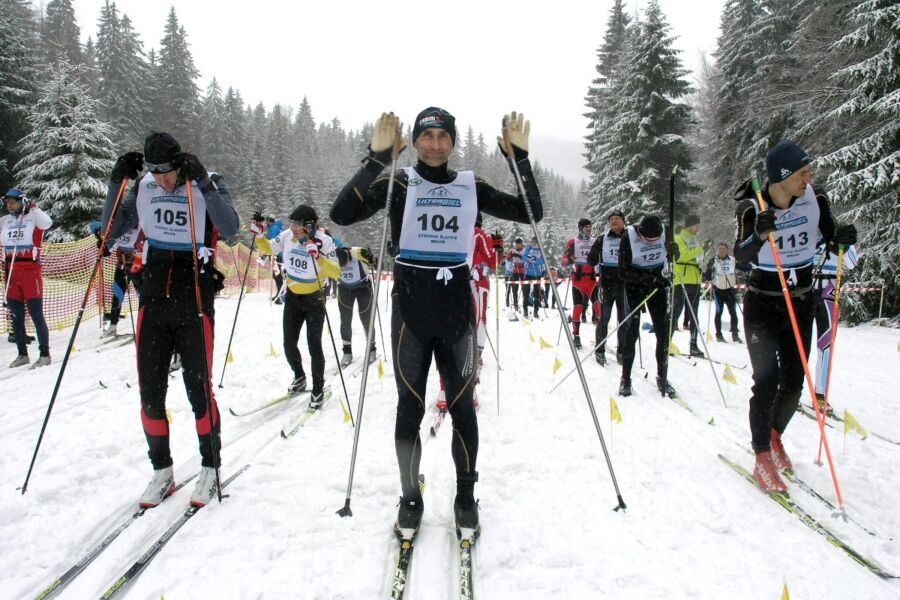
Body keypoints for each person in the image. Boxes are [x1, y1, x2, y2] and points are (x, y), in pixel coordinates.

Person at [330, 107, 542, 538]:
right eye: (426, 136)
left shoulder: (470, 185)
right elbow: (341, 215)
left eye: (443, 136)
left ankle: (466, 497)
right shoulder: (400, 182)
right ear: (415, 140)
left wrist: (518, 159)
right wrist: (377, 159)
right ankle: (410, 497)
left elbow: (530, 212)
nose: (434, 144)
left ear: (452, 142)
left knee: (462, 407)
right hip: (411, 311)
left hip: (455, 312)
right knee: (409, 407)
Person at [102, 132, 239, 508]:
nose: (163, 180)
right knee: (150, 393)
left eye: (170, 172)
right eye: (156, 173)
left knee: (199, 391)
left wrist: (205, 183)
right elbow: (109, 233)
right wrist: (117, 182)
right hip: (153, 295)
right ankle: (162, 471)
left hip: (193, 293)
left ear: (182, 162)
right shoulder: (144, 186)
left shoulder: (206, 179)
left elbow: (230, 229)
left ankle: (211, 468)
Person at [733, 140, 856, 492]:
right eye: (803, 173)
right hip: (763, 305)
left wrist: (843, 238)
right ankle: (760, 457)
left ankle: (774, 437)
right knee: (765, 381)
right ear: (783, 176)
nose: (809, 178)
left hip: (800, 300)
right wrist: (758, 235)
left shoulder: (815, 198)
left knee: (794, 381)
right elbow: (741, 256)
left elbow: (831, 238)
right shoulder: (752, 207)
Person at [257, 206, 339, 397]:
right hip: (293, 296)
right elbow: (268, 248)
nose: (293, 227)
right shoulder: (287, 236)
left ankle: (318, 388)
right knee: (289, 343)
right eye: (292, 223)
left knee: (314, 345)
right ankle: (299, 376)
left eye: (297, 224)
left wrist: (318, 257)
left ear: (309, 226)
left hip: (314, 298)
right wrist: (260, 237)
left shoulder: (324, 241)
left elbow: (336, 272)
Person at [618, 215, 676, 397]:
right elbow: (622, 272)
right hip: (635, 285)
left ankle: (662, 375)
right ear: (640, 232)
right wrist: (647, 279)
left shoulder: (666, 231)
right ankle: (625, 379)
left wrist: (675, 251)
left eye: (655, 240)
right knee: (632, 332)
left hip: (657, 283)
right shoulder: (628, 236)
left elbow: (673, 256)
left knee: (663, 331)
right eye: (647, 240)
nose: (651, 243)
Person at [2, 188, 52, 369]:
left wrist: (34, 208)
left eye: (13, 201)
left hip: (30, 271)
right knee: (16, 315)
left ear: (22, 201)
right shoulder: (5, 221)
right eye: (7, 201)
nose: (9, 204)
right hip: (11, 271)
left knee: (36, 314)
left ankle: (45, 354)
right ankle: (22, 354)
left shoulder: (33, 217)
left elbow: (47, 223)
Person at [812, 239, 857, 413]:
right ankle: (788, 390)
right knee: (795, 342)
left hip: (829, 292)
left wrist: (844, 247)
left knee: (825, 344)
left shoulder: (841, 235)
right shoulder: (809, 226)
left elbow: (852, 263)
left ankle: (820, 394)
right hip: (805, 290)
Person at [90, 220, 142, 338]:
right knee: (117, 295)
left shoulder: (140, 225)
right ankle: (113, 326)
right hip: (121, 265)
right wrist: (101, 240)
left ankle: (144, 327)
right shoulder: (118, 226)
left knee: (143, 297)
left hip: (138, 266)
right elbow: (106, 247)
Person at [672, 214, 709, 357]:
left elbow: (695, 257)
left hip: (694, 279)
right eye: (697, 225)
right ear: (690, 225)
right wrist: (701, 248)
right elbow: (683, 256)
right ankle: (666, 342)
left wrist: (703, 250)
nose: (699, 228)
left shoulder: (693, 238)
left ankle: (694, 345)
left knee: (694, 314)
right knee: (676, 311)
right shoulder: (680, 237)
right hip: (682, 279)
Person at [334, 243, 377, 368]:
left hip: (363, 287)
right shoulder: (333, 255)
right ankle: (347, 352)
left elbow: (375, 264)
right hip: (344, 287)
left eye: (346, 263)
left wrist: (372, 259)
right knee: (345, 320)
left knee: (366, 318)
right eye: (342, 265)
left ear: (348, 255)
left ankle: (372, 349)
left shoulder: (358, 252)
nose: (345, 266)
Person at [562, 218, 598, 348]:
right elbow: (564, 260)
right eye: (586, 227)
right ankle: (576, 335)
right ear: (580, 228)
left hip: (592, 280)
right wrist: (570, 259)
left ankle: (599, 336)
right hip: (578, 280)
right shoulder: (573, 242)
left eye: (590, 226)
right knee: (578, 307)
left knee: (598, 308)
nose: (589, 229)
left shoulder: (595, 241)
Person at [706, 242, 742, 343]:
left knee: (733, 313)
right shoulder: (714, 261)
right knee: (719, 312)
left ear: (727, 250)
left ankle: (735, 335)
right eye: (720, 249)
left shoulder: (732, 260)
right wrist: (709, 268)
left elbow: (743, 267)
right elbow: (707, 276)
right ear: (718, 250)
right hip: (718, 290)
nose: (721, 250)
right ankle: (719, 335)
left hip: (730, 290)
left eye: (723, 249)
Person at [521, 235, 545, 319]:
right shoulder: (528, 248)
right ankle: (525, 310)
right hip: (527, 273)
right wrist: (529, 258)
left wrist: (535, 260)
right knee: (526, 292)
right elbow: (523, 258)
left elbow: (542, 261)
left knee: (536, 293)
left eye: (535, 241)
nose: (534, 243)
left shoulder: (540, 249)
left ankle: (536, 311)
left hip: (537, 274)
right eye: (533, 241)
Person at [506, 237, 525, 314]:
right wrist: (510, 254)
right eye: (516, 244)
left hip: (523, 272)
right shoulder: (513, 250)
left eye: (519, 244)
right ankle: (515, 304)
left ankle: (525, 305)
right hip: (515, 271)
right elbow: (508, 258)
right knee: (514, 289)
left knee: (524, 289)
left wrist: (517, 255)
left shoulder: (524, 251)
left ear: (521, 244)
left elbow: (525, 258)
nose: (517, 246)